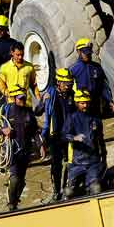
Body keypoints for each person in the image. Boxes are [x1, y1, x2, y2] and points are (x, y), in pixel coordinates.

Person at [0, 85, 41, 211]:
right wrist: (3, 130)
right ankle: (11, 204)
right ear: (14, 98)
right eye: (19, 99)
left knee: (21, 182)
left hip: (25, 151)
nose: (22, 101)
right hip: (11, 151)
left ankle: (15, 201)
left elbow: (35, 131)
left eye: (23, 98)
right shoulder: (5, 110)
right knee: (14, 179)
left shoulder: (29, 112)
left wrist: (40, 146)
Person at [62, 90, 107, 198]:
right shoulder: (72, 118)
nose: (85, 105)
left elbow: (100, 139)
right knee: (69, 192)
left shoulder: (95, 119)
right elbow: (64, 135)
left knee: (96, 189)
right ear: (77, 103)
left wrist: (104, 155)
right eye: (82, 103)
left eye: (87, 102)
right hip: (76, 161)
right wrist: (74, 138)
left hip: (93, 161)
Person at [41, 68, 75, 201]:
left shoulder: (71, 94)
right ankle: (56, 191)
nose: (68, 86)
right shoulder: (51, 93)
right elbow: (38, 111)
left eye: (70, 83)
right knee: (56, 165)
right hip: (55, 136)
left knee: (70, 162)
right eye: (66, 83)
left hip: (68, 135)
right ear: (59, 82)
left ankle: (67, 189)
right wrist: (43, 101)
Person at [70, 38, 113, 115]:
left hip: (95, 105)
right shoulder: (73, 69)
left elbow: (103, 86)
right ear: (78, 52)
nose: (88, 55)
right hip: (81, 105)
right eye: (85, 53)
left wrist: (109, 100)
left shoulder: (97, 67)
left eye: (89, 53)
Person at [0, 42, 40, 107]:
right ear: (12, 53)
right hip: (12, 104)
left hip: (27, 104)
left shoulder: (29, 67)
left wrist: (39, 98)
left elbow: (34, 85)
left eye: (22, 54)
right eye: (18, 55)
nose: (20, 57)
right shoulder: (4, 68)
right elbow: (1, 86)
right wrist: (11, 95)